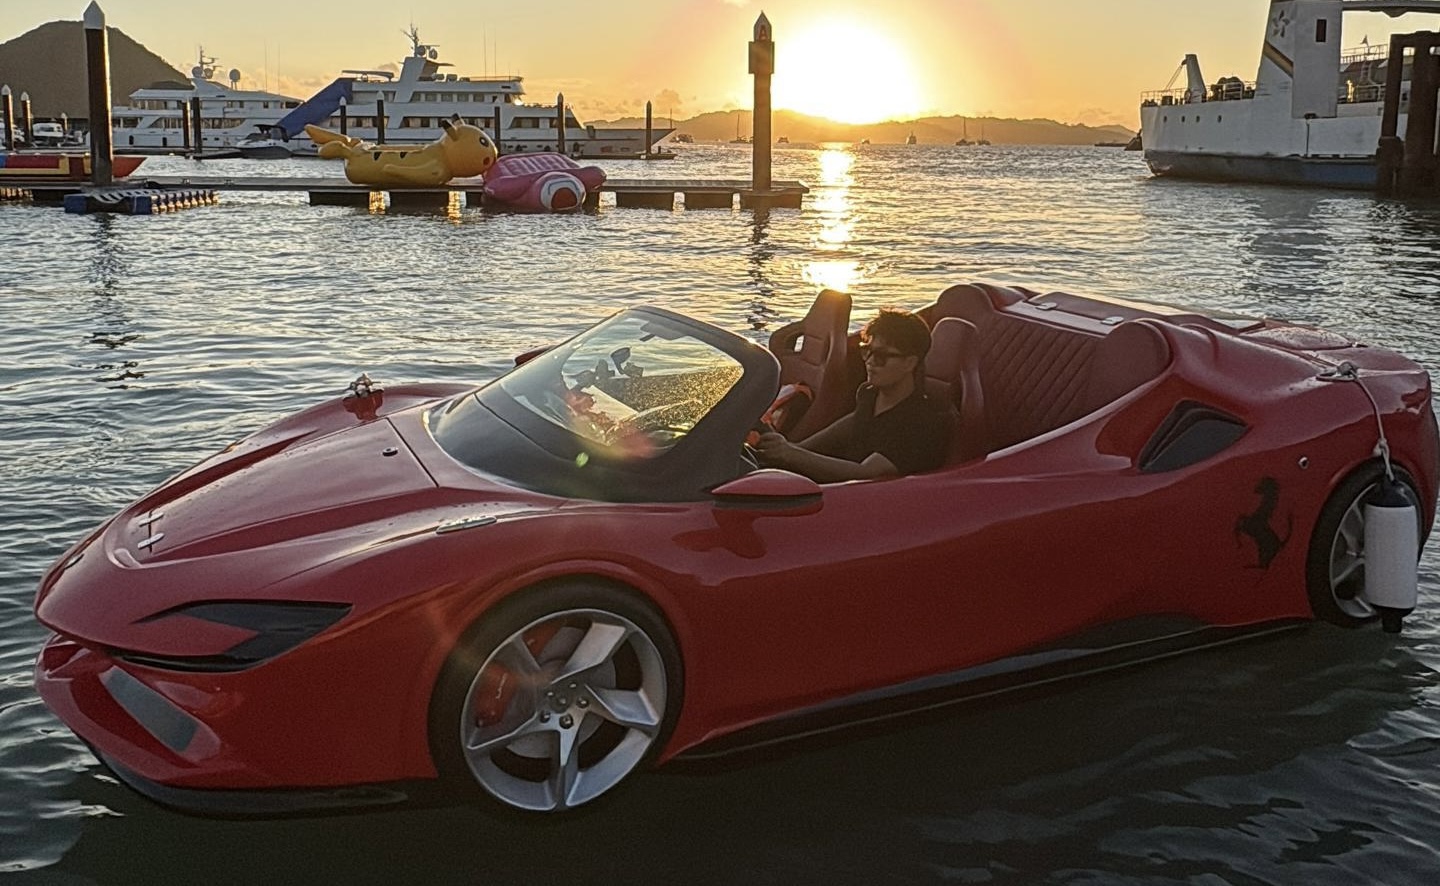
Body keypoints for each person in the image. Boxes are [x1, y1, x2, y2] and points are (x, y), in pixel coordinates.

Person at [755, 308, 949, 481]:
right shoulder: (870, 394)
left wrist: (792, 454)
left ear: (910, 363)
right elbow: (854, 422)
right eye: (867, 352)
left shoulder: (923, 423)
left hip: (876, 503)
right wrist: (793, 448)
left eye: (881, 356)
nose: (870, 362)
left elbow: (866, 473)